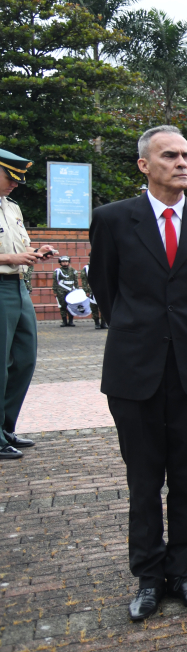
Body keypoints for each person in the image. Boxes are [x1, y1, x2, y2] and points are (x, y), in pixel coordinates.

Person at [89, 125, 187, 621]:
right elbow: (105, 288)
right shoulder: (113, 219)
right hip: (136, 368)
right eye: (169, 155)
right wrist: (141, 329)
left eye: (186, 155)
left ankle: (182, 569)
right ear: (144, 165)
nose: (182, 163)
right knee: (144, 479)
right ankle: (149, 576)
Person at [0, 149, 59, 460]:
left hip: (18, 287)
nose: (16, 184)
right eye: (10, 177)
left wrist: (36, 252)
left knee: (25, 359)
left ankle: (5, 428)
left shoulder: (11, 207)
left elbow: (18, 246)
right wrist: (11, 258)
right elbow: (9, 254)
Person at [53, 255, 79, 327]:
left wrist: (77, 290)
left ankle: (71, 321)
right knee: (62, 306)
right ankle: (64, 321)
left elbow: (76, 281)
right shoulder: (58, 271)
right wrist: (55, 291)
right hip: (61, 290)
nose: (65, 263)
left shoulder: (73, 270)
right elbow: (55, 282)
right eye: (63, 262)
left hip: (71, 290)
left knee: (71, 305)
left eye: (66, 261)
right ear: (60, 263)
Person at [79, 258, 103, 329]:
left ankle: (104, 323)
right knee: (94, 307)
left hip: (102, 289)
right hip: (92, 290)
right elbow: (84, 281)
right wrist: (86, 291)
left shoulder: (103, 266)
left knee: (104, 307)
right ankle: (97, 323)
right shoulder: (86, 268)